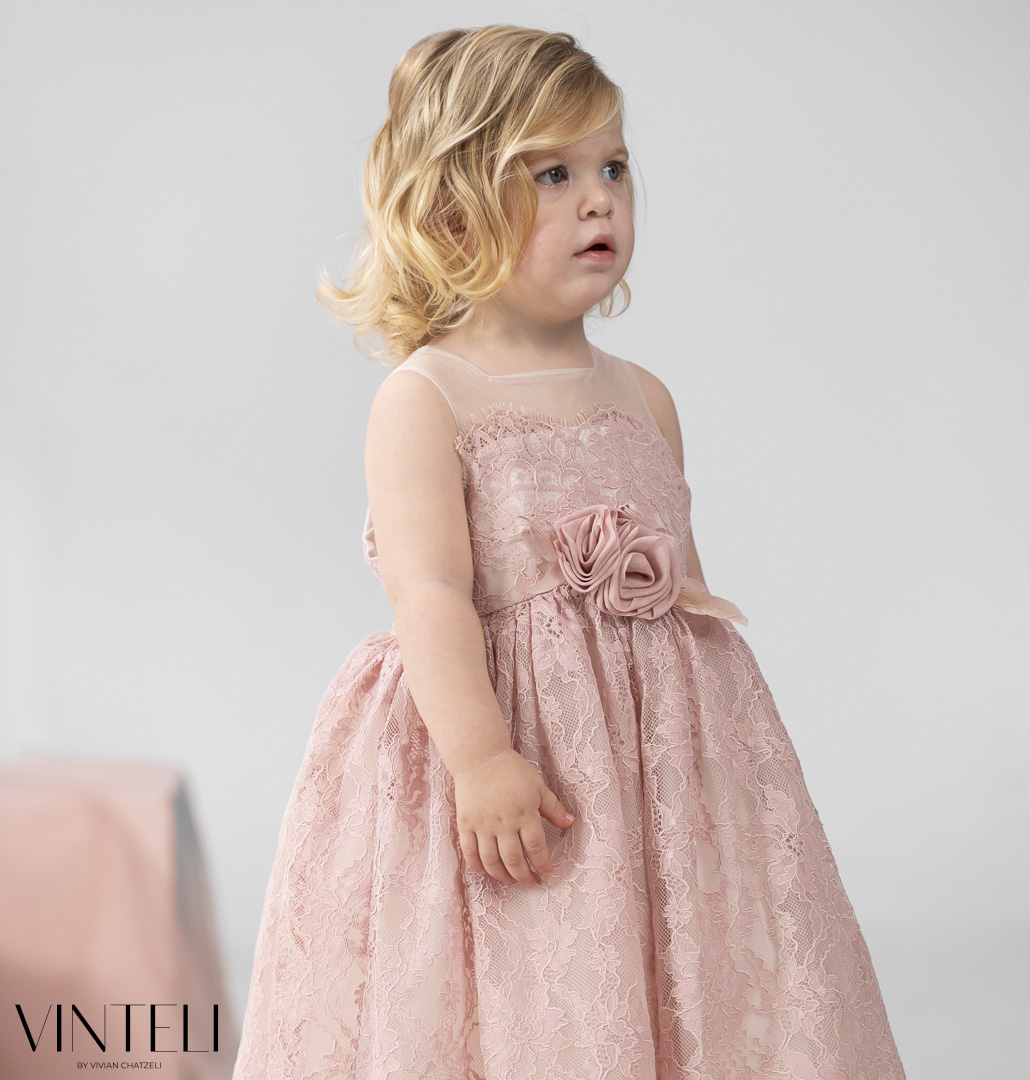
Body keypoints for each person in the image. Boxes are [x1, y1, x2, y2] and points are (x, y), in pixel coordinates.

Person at [231, 24, 907, 1080]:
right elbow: (430, 592)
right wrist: (480, 759)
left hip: (657, 771)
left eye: (614, 169)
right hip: (512, 751)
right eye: (554, 174)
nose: (600, 201)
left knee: (678, 977)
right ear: (453, 208)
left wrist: (715, 778)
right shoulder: (427, 397)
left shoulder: (645, 398)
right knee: (537, 979)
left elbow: (678, 600)